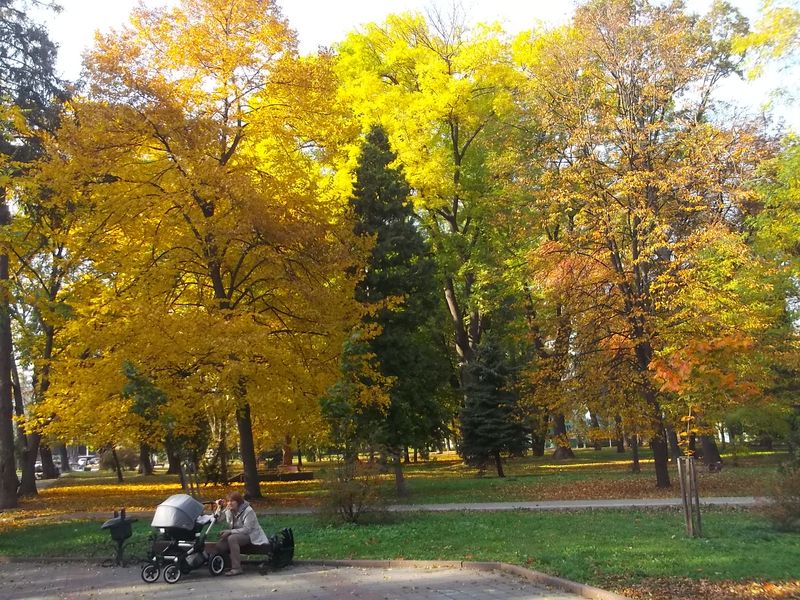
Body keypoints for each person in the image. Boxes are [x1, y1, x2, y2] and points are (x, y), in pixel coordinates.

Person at [214, 491, 269, 576]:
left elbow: (247, 529)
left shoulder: (248, 511)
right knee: (220, 544)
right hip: (236, 534)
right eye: (228, 501)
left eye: (232, 501)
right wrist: (219, 507)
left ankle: (237, 568)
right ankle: (227, 564)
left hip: (250, 536)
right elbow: (217, 520)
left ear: (238, 502)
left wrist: (230, 532)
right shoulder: (229, 510)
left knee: (232, 538)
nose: (229, 503)